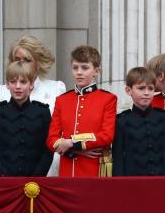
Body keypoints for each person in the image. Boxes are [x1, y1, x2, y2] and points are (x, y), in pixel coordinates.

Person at [0, 36, 66, 176]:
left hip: (48, 166)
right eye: (17, 60)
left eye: (27, 60)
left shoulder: (56, 88)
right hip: (10, 167)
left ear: (37, 62)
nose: (22, 64)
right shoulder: (1, 92)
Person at [47, 45, 117, 177]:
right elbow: (52, 139)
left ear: (96, 71)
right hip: (67, 169)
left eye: (85, 68)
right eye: (75, 68)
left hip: (94, 169)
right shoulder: (62, 100)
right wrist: (75, 150)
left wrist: (72, 142)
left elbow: (106, 136)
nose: (79, 72)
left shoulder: (108, 99)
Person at [0, 61, 52, 177]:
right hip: (4, 182)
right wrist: (3, 177)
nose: (18, 86)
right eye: (13, 82)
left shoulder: (42, 112)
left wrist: (36, 178)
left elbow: (47, 151)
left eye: (23, 82)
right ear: (7, 85)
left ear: (31, 85)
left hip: (35, 182)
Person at [112, 67, 165, 176]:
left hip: (164, 181)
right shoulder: (121, 121)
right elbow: (118, 158)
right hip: (133, 183)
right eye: (141, 88)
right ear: (128, 91)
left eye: (151, 88)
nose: (146, 93)